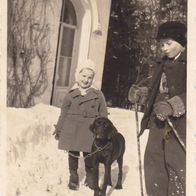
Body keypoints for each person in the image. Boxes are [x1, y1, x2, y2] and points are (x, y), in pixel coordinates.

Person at [128, 21, 186, 196]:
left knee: (177, 166)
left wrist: (173, 104)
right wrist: (143, 94)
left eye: (169, 43)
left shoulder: (189, 63)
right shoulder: (160, 63)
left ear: (182, 41)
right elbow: (157, 88)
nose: (165, 48)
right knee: (154, 164)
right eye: (162, 44)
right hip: (157, 123)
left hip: (181, 125)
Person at [53, 59, 108, 191]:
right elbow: (64, 112)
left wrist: (102, 131)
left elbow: (103, 113)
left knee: (89, 154)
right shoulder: (71, 94)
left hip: (90, 130)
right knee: (73, 154)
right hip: (72, 128)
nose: (86, 80)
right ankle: (73, 177)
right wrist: (59, 128)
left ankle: (90, 178)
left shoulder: (98, 94)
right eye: (83, 76)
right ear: (78, 75)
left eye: (90, 77)